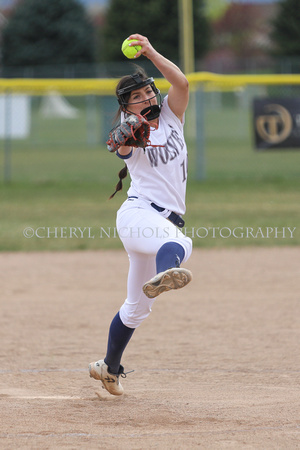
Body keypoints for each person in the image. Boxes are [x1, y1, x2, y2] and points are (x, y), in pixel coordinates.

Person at [89, 34, 193, 395]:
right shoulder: (130, 129)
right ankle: (168, 270)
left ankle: (108, 368)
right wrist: (120, 139)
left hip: (161, 221)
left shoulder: (172, 115)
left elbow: (181, 82)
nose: (146, 97)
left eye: (148, 91)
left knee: (137, 309)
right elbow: (117, 145)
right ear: (126, 106)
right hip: (138, 216)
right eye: (136, 97)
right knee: (179, 242)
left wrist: (149, 52)